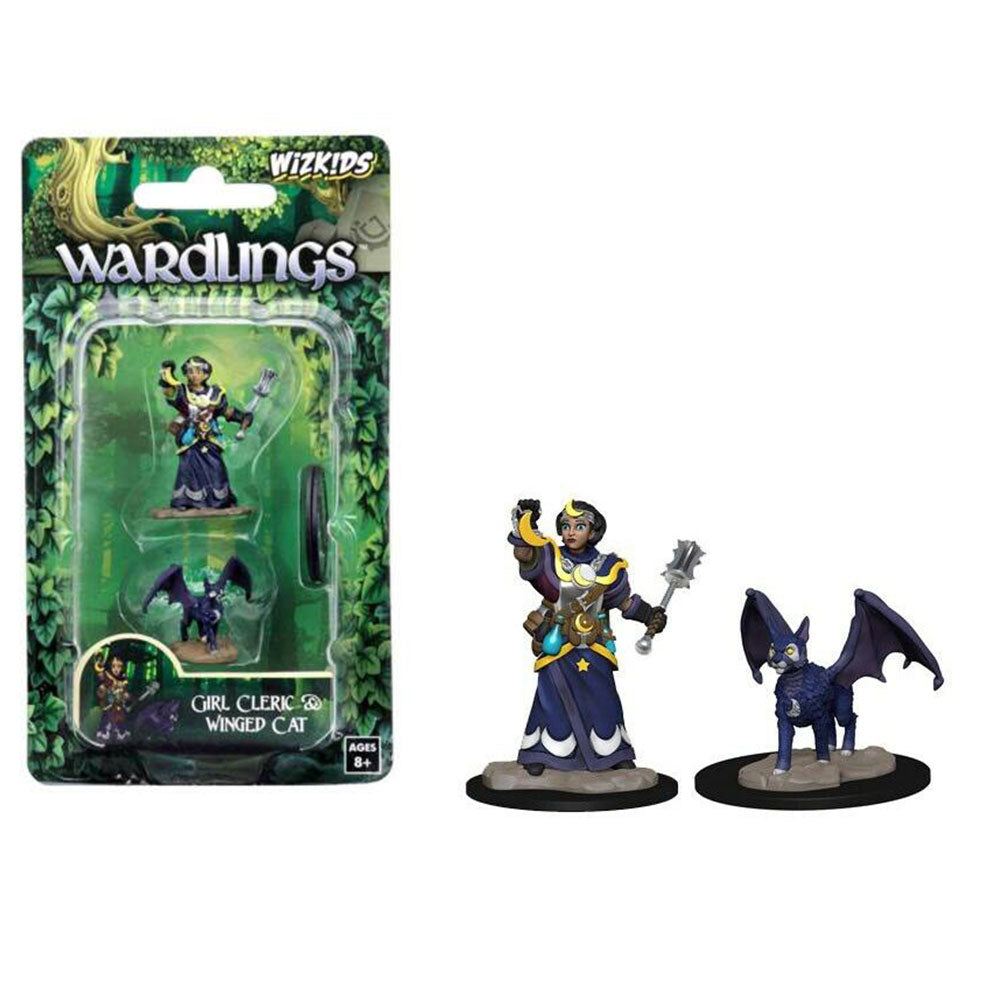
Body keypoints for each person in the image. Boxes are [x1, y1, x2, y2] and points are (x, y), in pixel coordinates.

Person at [509, 499, 666, 774]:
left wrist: (649, 615)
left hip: (595, 644)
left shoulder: (609, 567)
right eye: (566, 526)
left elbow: (624, 602)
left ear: (592, 531)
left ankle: (612, 753)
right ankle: (543, 754)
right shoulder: (551, 558)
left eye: (579, 526)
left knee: (603, 697)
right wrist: (525, 522)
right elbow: (524, 554)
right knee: (550, 698)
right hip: (558, 641)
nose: (571, 532)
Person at [158, 356, 253, 510]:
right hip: (190, 437)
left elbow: (225, 411)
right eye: (190, 371)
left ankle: (219, 501)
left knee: (216, 467)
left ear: (206, 374)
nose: (194, 375)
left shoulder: (216, 393)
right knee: (188, 469)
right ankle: (186, 501)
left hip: (210, 438)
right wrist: (166, 376)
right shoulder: (183, 391)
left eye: (198, 371)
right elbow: (169, 393)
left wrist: (241, 417)